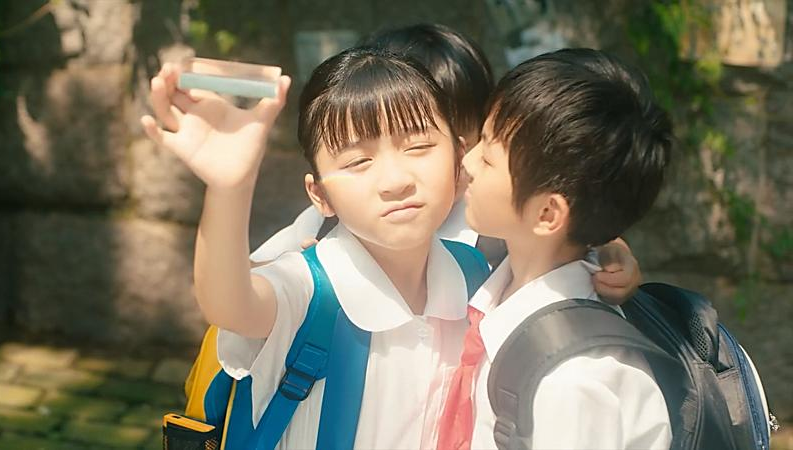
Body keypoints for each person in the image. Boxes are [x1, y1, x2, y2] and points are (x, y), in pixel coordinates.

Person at [143, 46, 491, 449]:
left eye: (417, 147)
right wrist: (228, 187)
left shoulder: (474, 276)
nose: (396, 181)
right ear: (320, 195)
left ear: (460, 158)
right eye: (358, 161)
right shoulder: (307, 289)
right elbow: (228, 304)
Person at [252, 23, 640, 298]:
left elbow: (563, 228)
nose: (464, 161)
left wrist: (610, 249)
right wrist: (305, 273)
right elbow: (253, 278)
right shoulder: (337, 216)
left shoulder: (493, 219)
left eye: (423, 144)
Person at [437, 48, 675, 450]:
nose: (470, 161)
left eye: (489, 156)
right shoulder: (497, 289)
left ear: (547, 214)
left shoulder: (575, 382)